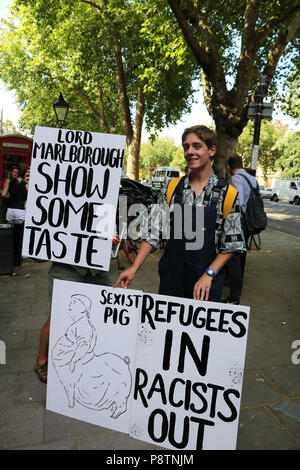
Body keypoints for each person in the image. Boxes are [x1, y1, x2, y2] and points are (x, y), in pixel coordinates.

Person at [114, 125, 246, 302]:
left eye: (197, 146)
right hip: (171, 282)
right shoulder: (171, 189)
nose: (190, 151)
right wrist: (134, 268)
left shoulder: (228, 194)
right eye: (186, 147)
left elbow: (231, 245)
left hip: (207, 288)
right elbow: (153, 232)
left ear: (212, 150)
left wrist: (209, 273)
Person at [23, 168, 120, 383]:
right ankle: (42, 360)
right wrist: (34, 190)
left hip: (95, 269)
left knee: (103, 311)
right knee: (58, 316)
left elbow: (106, 227)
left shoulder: (101, 197)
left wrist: (109, 236)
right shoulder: (58, 197)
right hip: (66, 268)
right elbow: (38, 220)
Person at [224, 155, 259, 304]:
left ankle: (234, 295)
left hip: (240, 220)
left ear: (229, 167)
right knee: (241, 254)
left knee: (233, 256)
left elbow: (236, 200)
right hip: (251, 220)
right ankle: (236, 285)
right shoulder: (251, 178)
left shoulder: (237, 178)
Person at [1, 163, 28, 269]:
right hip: (20, 211)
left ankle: (9, 261)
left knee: (10, 237)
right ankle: (17, 262)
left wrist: (10, 196)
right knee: (19, 237)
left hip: (10, 211)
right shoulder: (26, 183)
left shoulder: (10, 181)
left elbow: (4, 194)